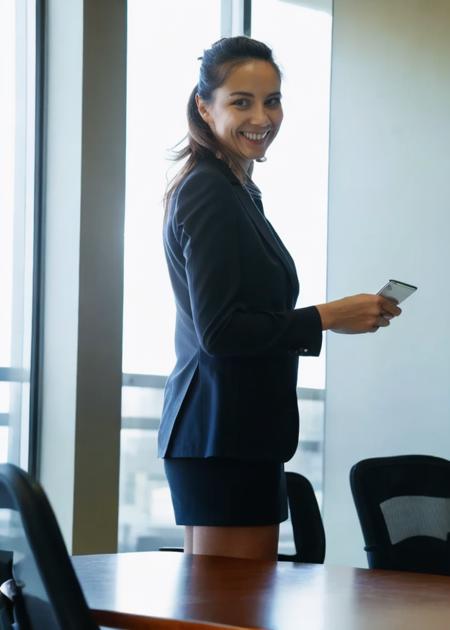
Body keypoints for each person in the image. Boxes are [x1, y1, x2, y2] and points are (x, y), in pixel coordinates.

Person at [159, 36, 401, 561]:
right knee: (231, 612)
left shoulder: (236, 189)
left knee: (222, 608)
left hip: (231, 433)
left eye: (272, 100)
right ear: (205, 107)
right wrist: (329, 316)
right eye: (241, 101)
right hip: (221, 434)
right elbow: (220, 332)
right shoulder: (209, 190)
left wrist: (327, 318)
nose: (262, 117)